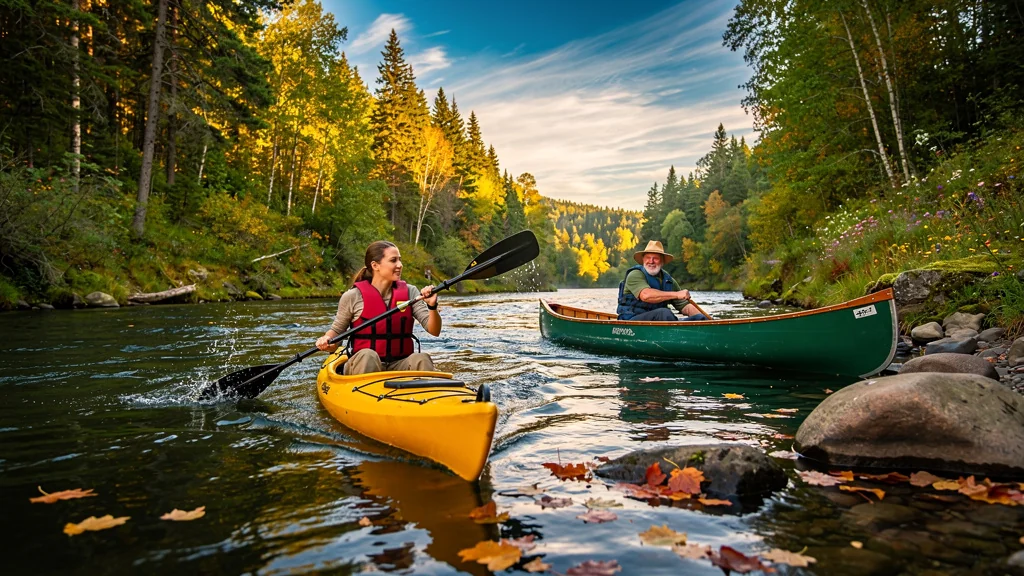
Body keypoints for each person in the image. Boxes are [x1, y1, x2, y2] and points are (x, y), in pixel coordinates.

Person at [315, 240, 441, 374]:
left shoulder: (411, 292)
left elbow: (434, 330)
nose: (400, 265)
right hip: (363, 367)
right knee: (368, 356)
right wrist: (326, 341)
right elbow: (336, 335)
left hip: (399, 365)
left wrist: (432, 306)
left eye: (400, 260)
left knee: (421, 358)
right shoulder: (353, 296)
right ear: (375, 265)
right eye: (393, 260)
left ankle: (422, 391)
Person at [615, 240, 707, 322]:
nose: (651, 261)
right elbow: (646, 295)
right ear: (643, 260)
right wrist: (677, 294)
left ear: (662, 261)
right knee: (664, 313)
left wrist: (705, 320)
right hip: (631, 321)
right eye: (648, 257)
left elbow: (685, 306)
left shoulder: (669, 281)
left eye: (655, 258)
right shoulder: (635, 274)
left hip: (657, 323)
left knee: (699, 317)